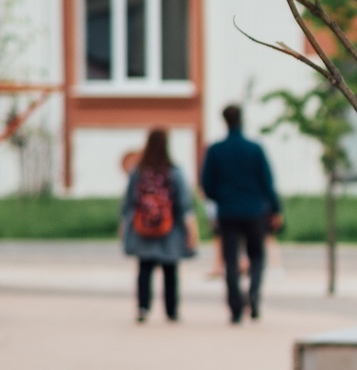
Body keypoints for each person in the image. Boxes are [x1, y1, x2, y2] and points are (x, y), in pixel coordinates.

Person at [199, 104, 282, 324]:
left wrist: (220, 198)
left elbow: (206, 183)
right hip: (254, 211)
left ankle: (235, 307)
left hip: (227, 212)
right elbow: (267, 182)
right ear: (241, 119)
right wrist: (275, 209)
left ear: (224, 121)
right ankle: (253, 294)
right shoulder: (255, 149)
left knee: (230, 260)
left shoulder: (215, 150)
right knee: (257, 256)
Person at [121, 128, 198, 323]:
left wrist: (124, 229)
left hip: (143, 229)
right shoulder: (174, 172)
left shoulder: (138, 172)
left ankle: (143, 308)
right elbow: (184, 204)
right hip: (169, 229)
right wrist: (191, 231)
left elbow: (129, 203)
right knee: (170, 271)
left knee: (144, 269)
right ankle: (171, 311)